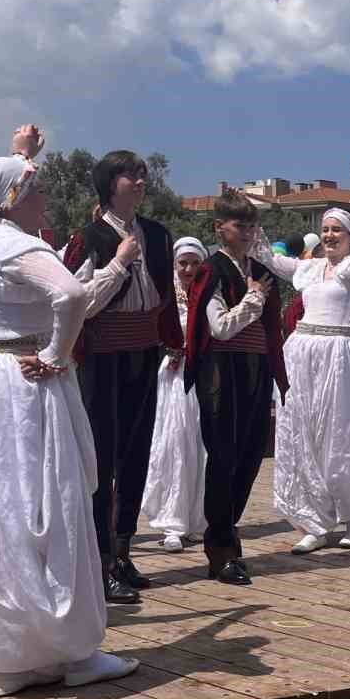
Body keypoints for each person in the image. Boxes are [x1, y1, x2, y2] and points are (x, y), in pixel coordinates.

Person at [0, 139, 138, 697]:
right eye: (37, 190)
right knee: (47, 505)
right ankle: (73, 651)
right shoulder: (16, 245)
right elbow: (69, 295)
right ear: (12, 199)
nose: (45, 198)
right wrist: (55, 355)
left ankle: (13, 657)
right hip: (22, 383)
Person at [65, 151, 184, 604]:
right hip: (102, 358)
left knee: (135, 453)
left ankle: (122, 549)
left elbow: (165, 299)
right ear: (108, 185)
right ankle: (98, 560)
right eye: (128, 175)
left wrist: (171, 338)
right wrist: (117, 264)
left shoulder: (156, 234)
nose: (138, 180)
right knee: (102, 458)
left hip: (142, 352)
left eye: (141, 174)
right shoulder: (89, 238)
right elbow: (77, 302)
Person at [254, 178, 350, 554]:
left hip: (341, 354)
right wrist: (251, 222)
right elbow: (269, 257)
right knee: (303, 436)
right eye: (324, 229)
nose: (329, 236)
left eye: (337, 230)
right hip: (302, 354)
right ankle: (313, 521)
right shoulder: (308, 270)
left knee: (342, 437)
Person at [183, 193, 288, 585]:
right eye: (238, 225)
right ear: (219, 227)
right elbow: (219, 327)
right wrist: (252, 300)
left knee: (250, 455)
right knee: (224, 457)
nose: (246, 232)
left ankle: (229, 532)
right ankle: (220, 547)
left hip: (256, 370)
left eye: (250, 225)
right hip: (221, 374)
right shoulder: (211, 270)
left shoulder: (261, 270)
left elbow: (270, 330)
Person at [142, 237, 209, 553]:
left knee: (201, 447)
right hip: (172, 377)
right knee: (175, 444)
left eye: (195, 263)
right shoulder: (165, 298)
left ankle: (198, 518)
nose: (188, 269)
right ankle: (172, 520)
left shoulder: (209, 295)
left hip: (202, 376)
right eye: (183, 263)